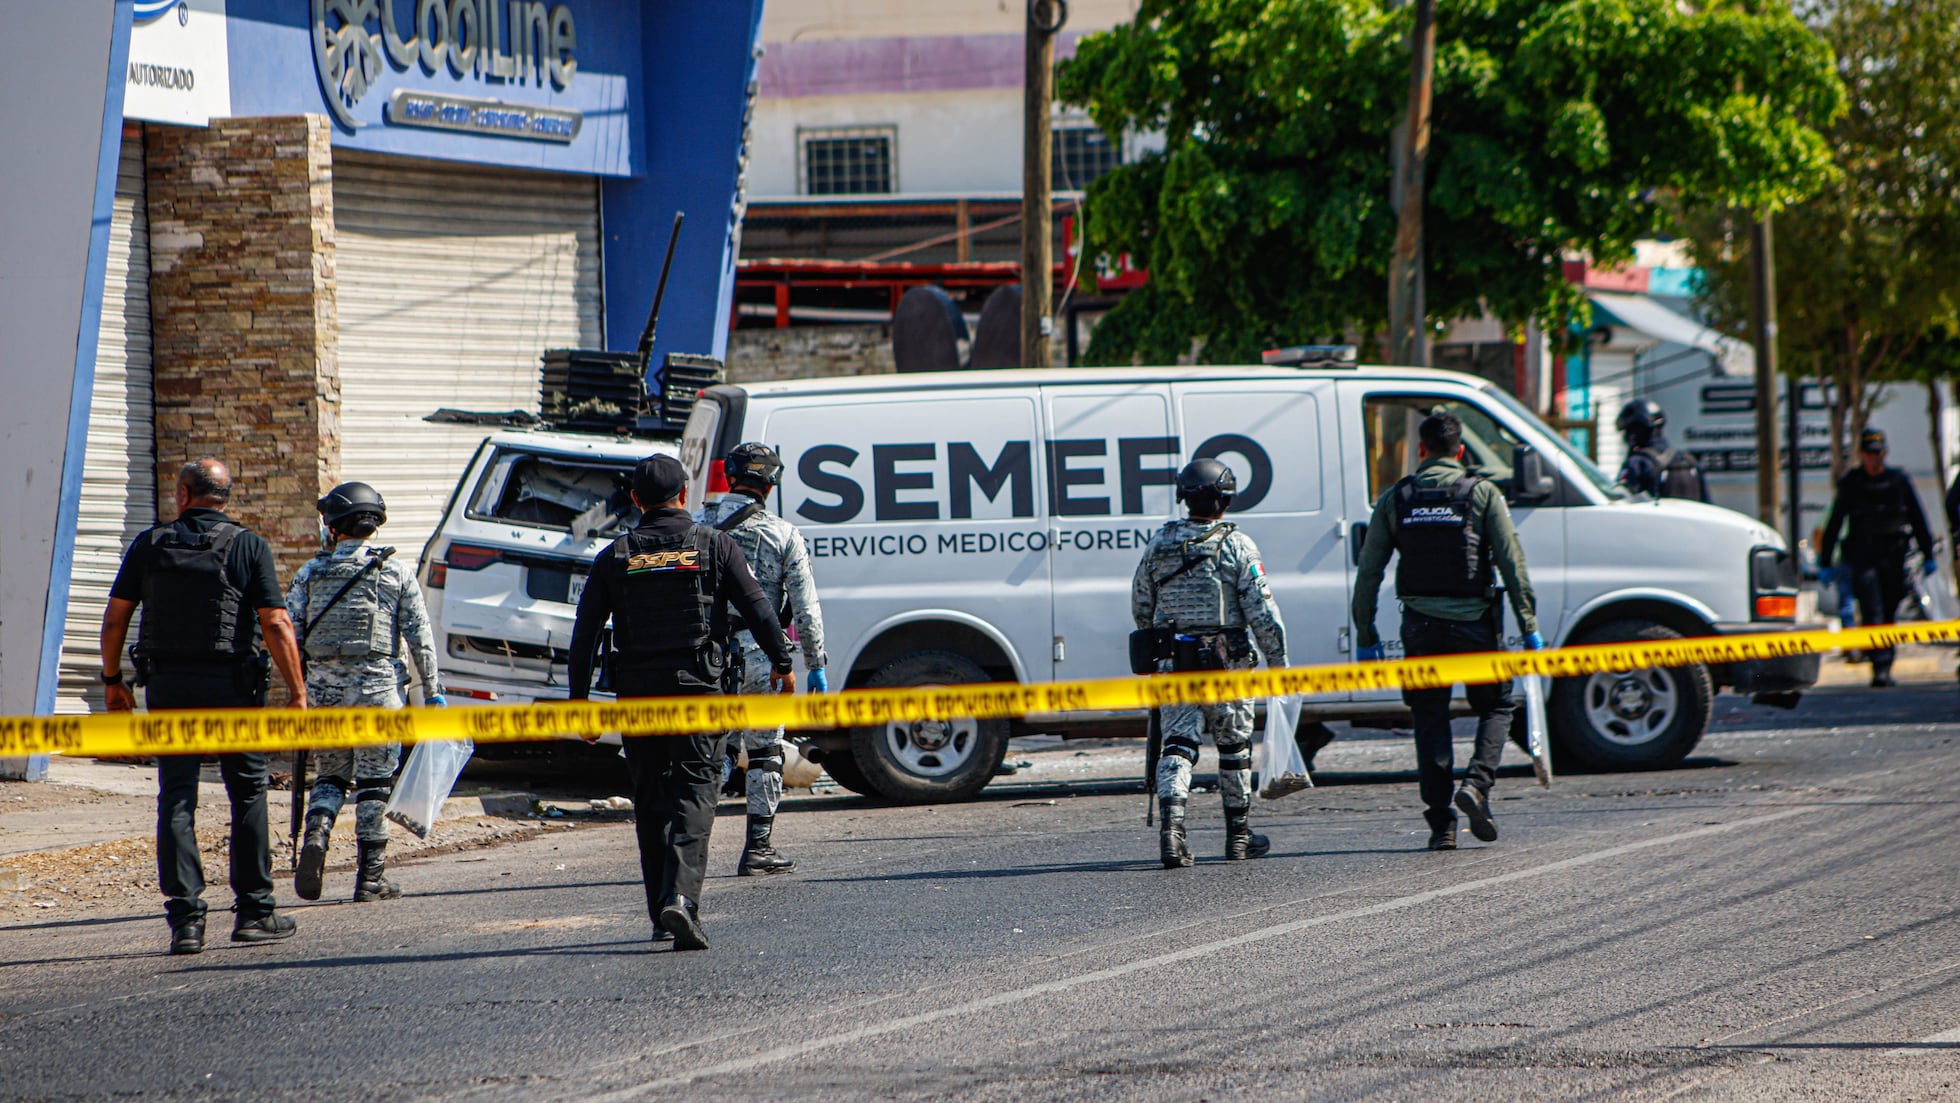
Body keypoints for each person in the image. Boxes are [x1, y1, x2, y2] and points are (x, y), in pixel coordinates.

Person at [567, 454, 794, 950]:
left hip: (638, 698)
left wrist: (579, 702)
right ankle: (682, 901)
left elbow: (584, 635)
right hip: (699, 692)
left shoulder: (615, 556)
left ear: (635, 500)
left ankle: (660, 913)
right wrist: (782, 662)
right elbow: (758, 606)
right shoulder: (714, 545)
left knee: (652, 800)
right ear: (684, 495)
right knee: (695, 793)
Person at [98, 459, 308, 955]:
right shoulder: (248, 545)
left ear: (183, 494)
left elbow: (115, 619)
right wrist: (298, 693)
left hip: (169, 687)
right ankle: (255, 912)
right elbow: (276, 622)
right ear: (225, 497)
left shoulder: (149, 544)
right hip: (233, 688)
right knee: (247, 792)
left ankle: (186, 922)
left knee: (176, 796)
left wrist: (112, 682)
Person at [1352, 412, 1542, 851]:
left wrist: (1365, 632)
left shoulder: (1397, 497)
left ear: (1421, 450)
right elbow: (1512, 563)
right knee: (1496, 705)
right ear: (1460, 451)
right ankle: (1476, 785)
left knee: (1429, 716)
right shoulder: (1482, 493)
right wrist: (1529, 625)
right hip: (1475, 625)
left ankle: (1442, 826)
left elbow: (1369, 571)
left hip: (1420, 628)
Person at [287, 482, 444, 903]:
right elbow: (420, 636)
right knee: (374, 784)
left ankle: (317, 833)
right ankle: (370, 878)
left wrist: (299, 687)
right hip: (379, 692)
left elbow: (289, 634)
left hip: (325, 694)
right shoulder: (396, 571)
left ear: (333, 526)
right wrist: (433, 691)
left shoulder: (310, 573)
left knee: (330, 776)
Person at [1131, 458, 1288, 869]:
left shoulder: (1159, 543)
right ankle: (1238, 837)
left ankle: (1172, 833)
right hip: (1227, 665)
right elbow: (1263, 613)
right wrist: (1279, 661)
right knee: (1234, 748)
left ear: (1184, 497)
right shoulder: (1237, 545)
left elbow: (1141, 603)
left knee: (1177, 745)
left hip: (1174, 663)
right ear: (1227, 499)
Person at [696, 443, 828, 876]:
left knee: (712, 749)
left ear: (730, 477)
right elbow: (805, 607)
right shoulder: (783, 534)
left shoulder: (697, 525)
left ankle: (689, 845)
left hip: (707, 657)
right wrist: (816, 664)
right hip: (763, 657)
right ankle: (758, 847)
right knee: (766, 750)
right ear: (771, 485)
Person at [1818, 428, 1935, 687]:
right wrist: (1825, 561)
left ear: (1885, 453)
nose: (1875, 458)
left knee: (1890, 610)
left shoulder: (1898, 481)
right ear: (1862, 455)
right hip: (1863, 556)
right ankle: (1879, 665)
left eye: (1879, 453)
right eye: (1870, 453)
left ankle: (1886, 661)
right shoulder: (1852, 483)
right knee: (1872, 610)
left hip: (1893, 555)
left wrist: (1927, 553)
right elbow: (1835, 521)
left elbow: (1918, 518)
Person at [1616, 399, 1708, 502]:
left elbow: (1621, 502)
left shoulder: (1637, 463)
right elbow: (1707, 504)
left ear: (1636, 430)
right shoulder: (1690, 461)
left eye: (1628, 430)